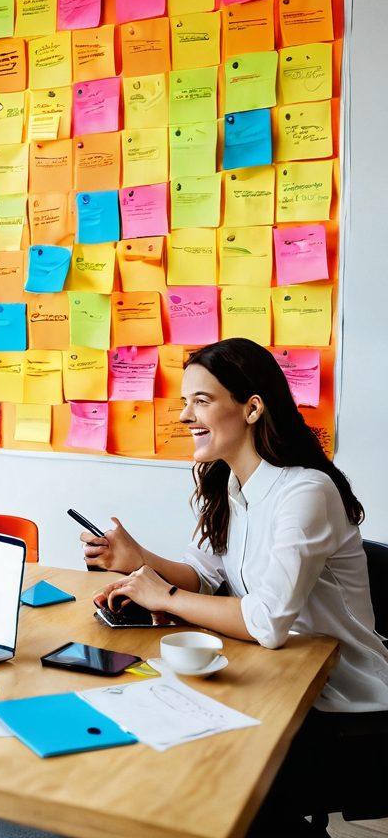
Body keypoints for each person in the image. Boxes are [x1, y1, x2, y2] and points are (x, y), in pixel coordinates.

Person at [81, 338, 388, 834]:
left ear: (252, 408)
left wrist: (163, 595)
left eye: (201, 400)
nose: (185, 416)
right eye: (185, 401)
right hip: (274, 677)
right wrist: (138, 562)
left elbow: (266, 622)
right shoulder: (230, 483)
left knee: (211, 779)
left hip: (342, 707)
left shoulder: (305, 492)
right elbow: (204, 576)